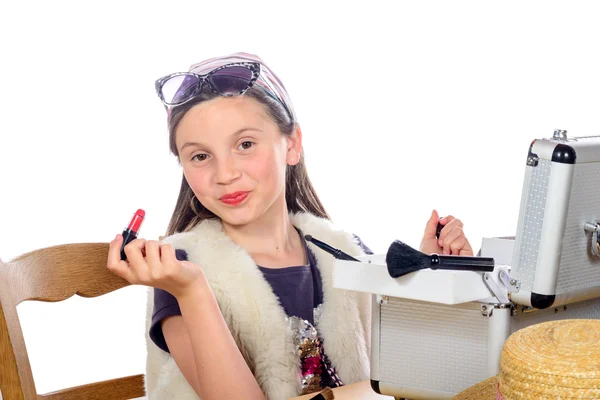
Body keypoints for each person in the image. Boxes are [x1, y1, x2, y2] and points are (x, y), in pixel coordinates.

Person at [106, 52, 474, 400]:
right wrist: (191, 291)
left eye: (245, 144)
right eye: (200, 156)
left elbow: (403, 371)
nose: (226, 174)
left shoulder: (343, 251)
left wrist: (431, 276)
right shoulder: (183, 268)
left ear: (292, 144)